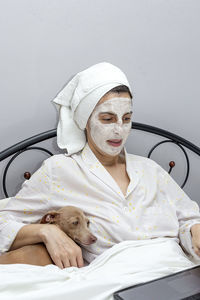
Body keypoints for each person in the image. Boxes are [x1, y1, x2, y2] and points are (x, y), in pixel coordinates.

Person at [0, 62, 200, 270]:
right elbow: (3, 223)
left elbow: (188, 219)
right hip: (120, 280)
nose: (119, 130)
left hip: (178, 271)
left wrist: (194, 230)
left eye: (127, 119)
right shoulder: (59, 172)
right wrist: (47, 232)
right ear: (85, 120)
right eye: (107, 119)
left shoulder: (151, 170)